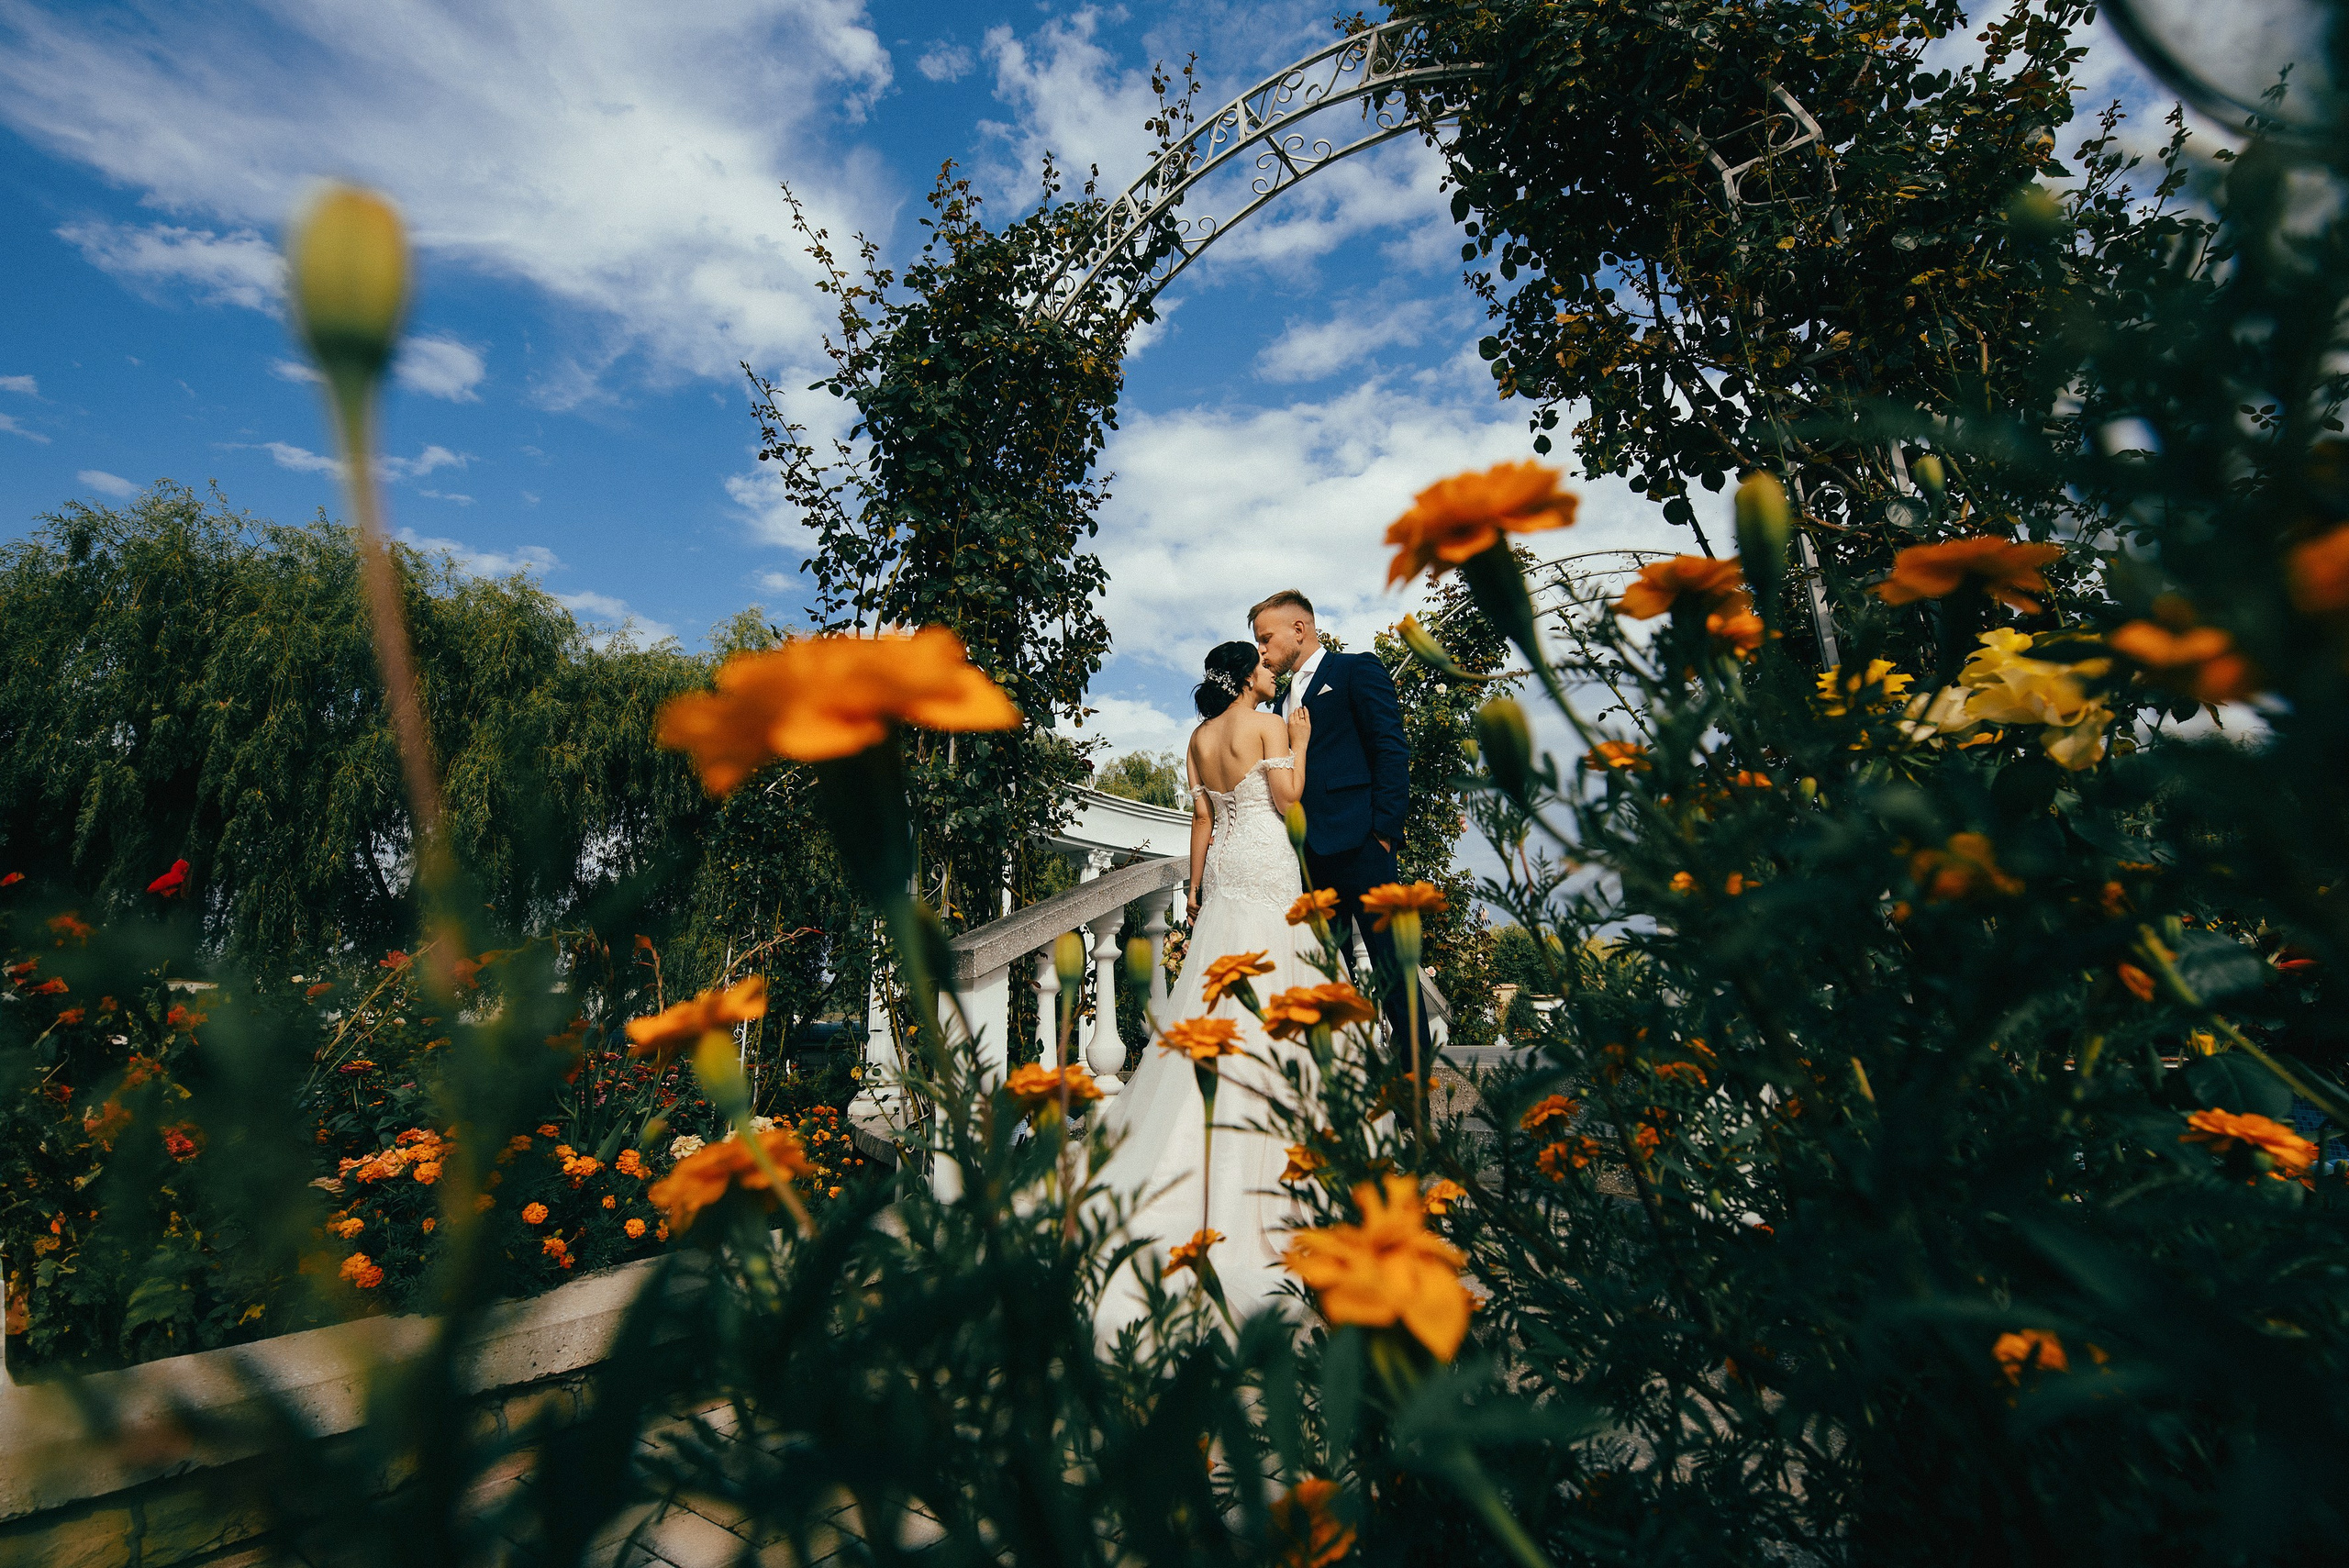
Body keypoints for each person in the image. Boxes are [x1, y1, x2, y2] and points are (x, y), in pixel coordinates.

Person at [1091, 639, 1320, 1340]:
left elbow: (1201, 821)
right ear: (1245, 675)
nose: (1272, 669)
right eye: (1264, 663)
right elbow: (1288, 799)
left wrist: (1194, 894)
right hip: (1267, 863)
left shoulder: (1197, 738)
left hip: (1222, 872)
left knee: (1213, 1002)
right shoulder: (1271, 722)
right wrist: (1301, 740)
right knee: (1275, 991)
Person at [1249, 588, 1421, 1061]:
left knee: (1393, 972)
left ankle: (1416, 1097)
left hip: (1363, 847)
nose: (1261, 651)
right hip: (1305, 863)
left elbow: (1391, 749)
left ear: (1299, 629)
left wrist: (1384, 832)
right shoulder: (1278, 702)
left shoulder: (1354, 670)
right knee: (1328, 977)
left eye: (1266, 639)